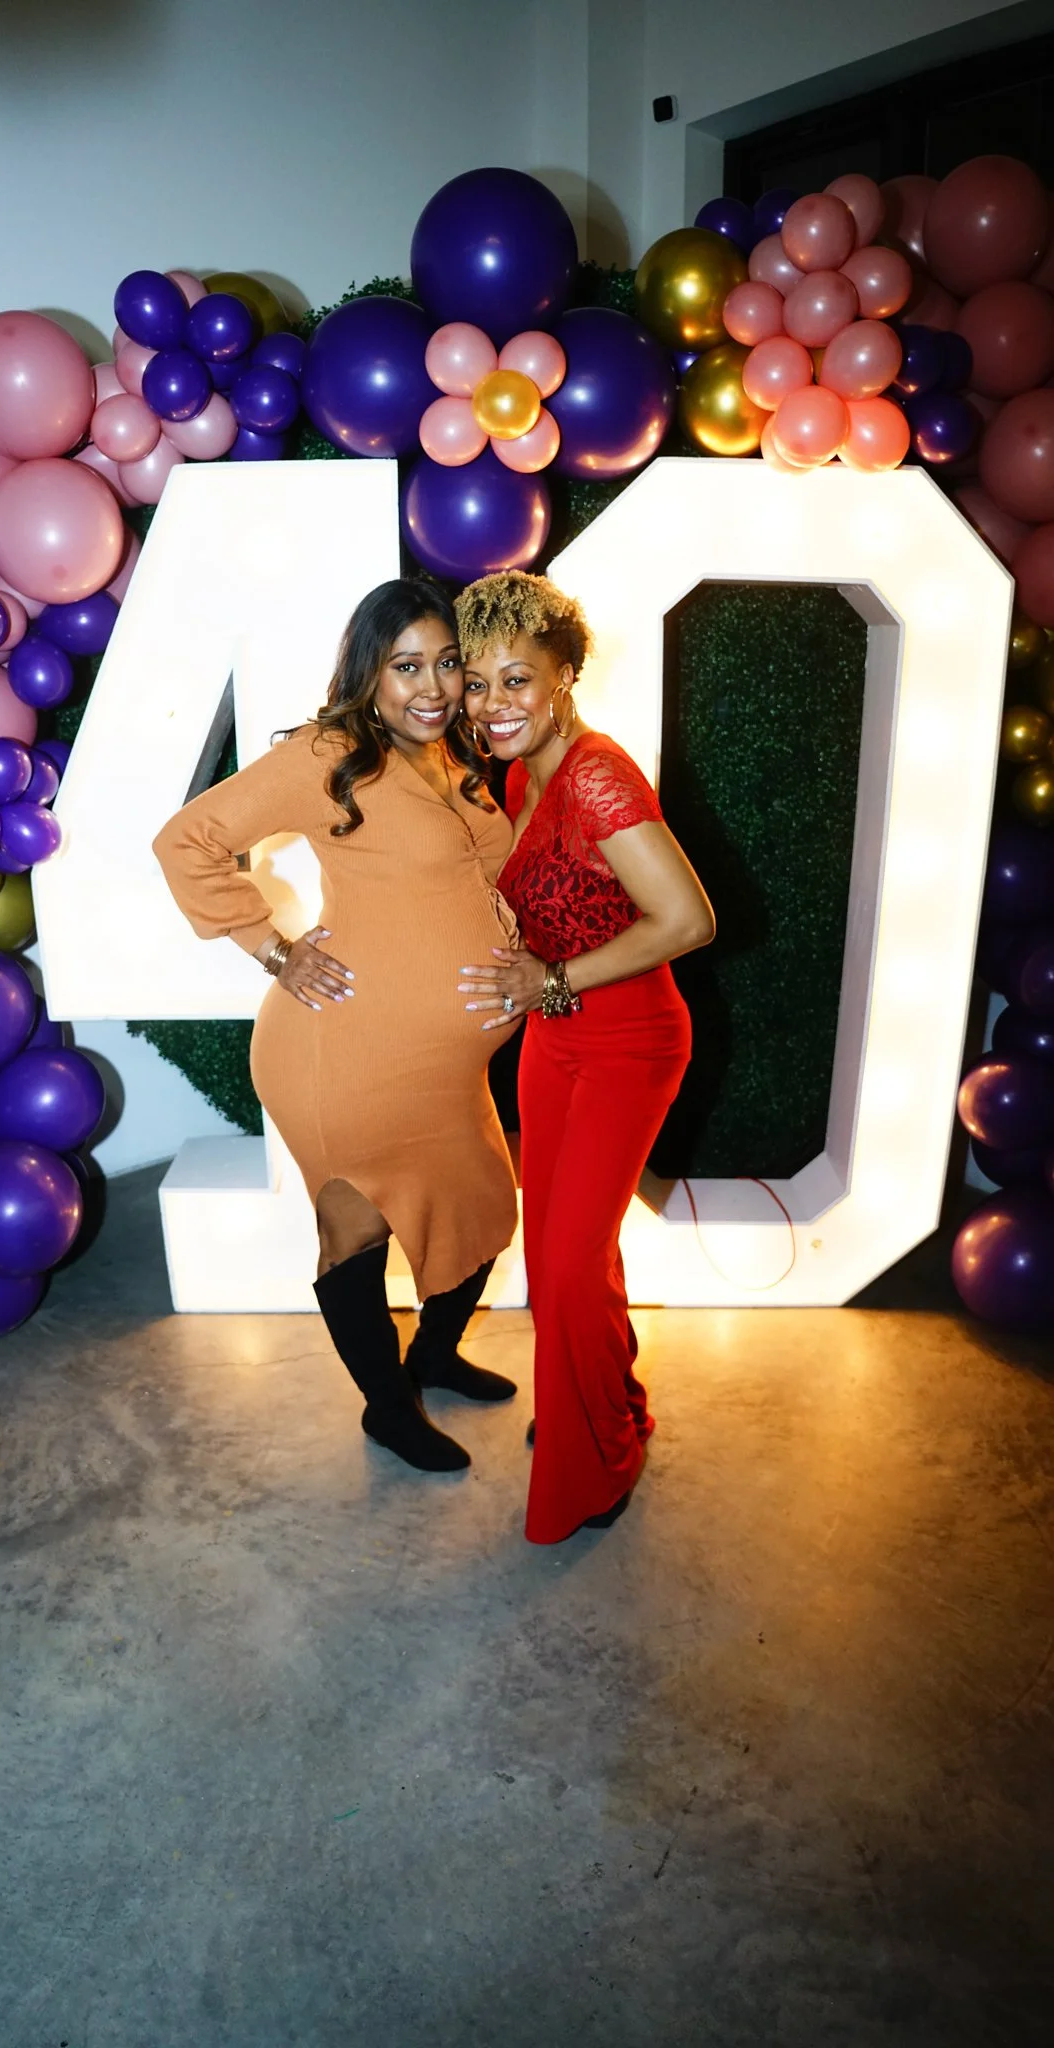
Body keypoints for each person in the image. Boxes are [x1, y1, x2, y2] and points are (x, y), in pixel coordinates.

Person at [154, 577, 520, 1476]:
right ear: (369, 671)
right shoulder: (331, 754)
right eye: (407, 666)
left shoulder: (455, 757)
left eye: (447, 664)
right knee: (356, 1231)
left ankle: (432, 1358)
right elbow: (186, 839)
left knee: (480, 1204)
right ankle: (387, 1410)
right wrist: (272, 949)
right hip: (341, 1055)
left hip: (441, 1071)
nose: (432, 687)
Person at [455, 571, 715, 1544]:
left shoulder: (598, 776)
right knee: (564, 1254)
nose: (492, 704)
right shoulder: (524, 771)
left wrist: (552, 977)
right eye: (476, 683)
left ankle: (600, 1458)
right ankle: (604, 1400)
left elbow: (687, 919)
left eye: (516, 679)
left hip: (626, 1043)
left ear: (564, 673)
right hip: (554, 1039)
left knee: (566, 1266)